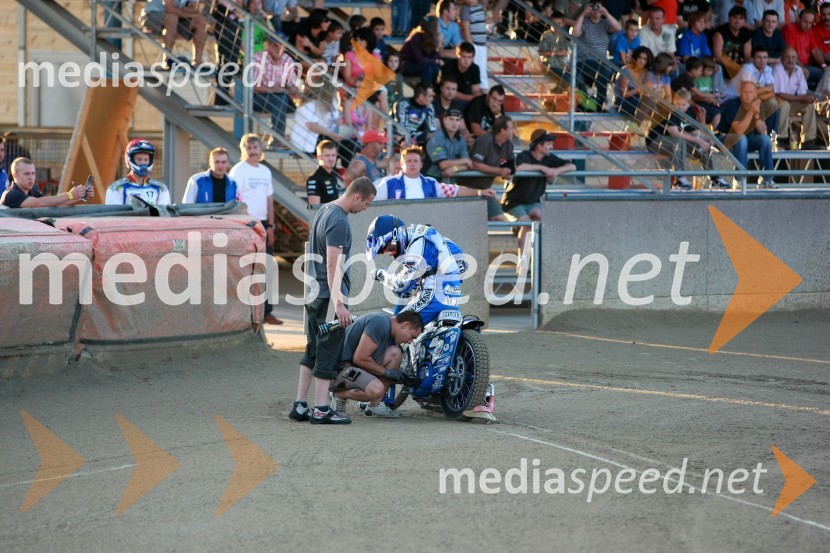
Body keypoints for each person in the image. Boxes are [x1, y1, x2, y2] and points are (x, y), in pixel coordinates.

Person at [289, 177, 376, 425]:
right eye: (366, 204)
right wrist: (339, 304)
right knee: (328, 351)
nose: (364, 209)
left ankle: (300, 404)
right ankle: (321, 409)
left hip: (314, 292)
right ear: (356, 196)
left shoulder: (324, 210)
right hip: (328, 297)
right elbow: (332, 264)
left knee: (313, 349)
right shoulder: (339, 220)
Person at [366, 214, 464, 326]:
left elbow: (401, 285)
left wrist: (381, 275)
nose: (390, 254)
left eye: (390, 249)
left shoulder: (417, 244)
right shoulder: (428, 235)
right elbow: (460, 259)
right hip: (454, 296)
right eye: (386, 252)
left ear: (397, 235)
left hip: (434, 297)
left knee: (395, 328)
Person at [503, 130, 576, 272]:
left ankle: (546, 258)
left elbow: (572, 166)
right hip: (513, 201)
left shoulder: (549, 158)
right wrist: (542, 168)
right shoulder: (525, 155)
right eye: (548, 144)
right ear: (538, 145)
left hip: (532, 202)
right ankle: (522, 261)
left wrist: (556, 171)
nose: (551, 147)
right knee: (528, 224)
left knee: (545, 220)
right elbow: (517, 167)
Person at [229, 134, 282, 325]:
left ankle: (266, 311)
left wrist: (271, 226)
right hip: (246, 224)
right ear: (243, 150)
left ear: (260, 151)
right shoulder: (238, 171)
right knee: (247, 269)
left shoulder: (265, 172)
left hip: (263, 224)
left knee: (266, 267)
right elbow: (235, 200)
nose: (253, 152)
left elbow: (269, 200)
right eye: (249, 148)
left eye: (255, 148)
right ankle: (246, 313)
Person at [330, 311, 424, 418]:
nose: (410, 342)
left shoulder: (387, 327)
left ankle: (375, 405)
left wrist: (401, 377)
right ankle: (338, 395)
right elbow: (360, 358)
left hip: (351, 366)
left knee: (395, 353)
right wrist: (387, 373)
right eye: (412, 336)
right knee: (376, 389)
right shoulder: (379, 323)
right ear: (405, 325)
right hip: (337, 371)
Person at [646, 89, 728, 189]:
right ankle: (680, 177)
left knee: (704, 146)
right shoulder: (669, 110)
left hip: (676, 144)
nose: (680, 107)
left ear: (688, 104)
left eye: (683, 105)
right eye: (677, 104)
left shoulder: (689, 112)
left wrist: (708, 139)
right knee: (679, 141)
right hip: (656, 141)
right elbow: (674, 132)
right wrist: (698, 140)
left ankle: (714, 177)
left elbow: (694, 131)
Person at [456, 115, 516, 221]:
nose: (513, 131)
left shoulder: (509, 144)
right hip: (467, 187)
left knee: (498, 217)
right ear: (502, 131)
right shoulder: (485, 140)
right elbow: (476, 164)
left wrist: (509, 172)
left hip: (485, 188)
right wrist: (500, 171)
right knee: (468, 221)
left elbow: (509, 165)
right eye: (511, 128)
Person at [374, 146, 489, 199]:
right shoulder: (388, 183)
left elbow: (456, 190)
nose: (412, 164)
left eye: (415, 161)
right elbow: (371, 201)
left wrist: (480, 192)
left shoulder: (431, 184)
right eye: (409, 161)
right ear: (402, 164)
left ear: (421, 164)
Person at [723, 81, 776, 188]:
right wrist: (751, 112)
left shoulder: (756, 104)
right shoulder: (732, 104)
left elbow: (763, 131)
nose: (748, 95)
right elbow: (739, 131)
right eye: (745, 92)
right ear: (740, 93)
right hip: (726, 139)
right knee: (742, 138)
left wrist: (756, 115)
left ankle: (767, 179)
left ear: (755, 93)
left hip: (746, 140)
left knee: (765, 139)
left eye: (751, 92)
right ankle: (739, 179)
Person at [572, 1, 622, 111]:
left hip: (601, 62)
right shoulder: (584, 22)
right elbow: (575, 33)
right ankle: (602, 102)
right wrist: (583, 14)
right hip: (584, 61)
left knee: (615, 67)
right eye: (593, 8)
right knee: (604, 68)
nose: (596, 11)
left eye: (598, 8)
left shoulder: (605, 23)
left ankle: (602, 102)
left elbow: (619, 28)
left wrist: (606, 13)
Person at [250, 37, 300, 137]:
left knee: (305, 103)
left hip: (282, 98)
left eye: (282, 45)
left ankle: (304, 144)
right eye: (275, 45)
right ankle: (278, 138)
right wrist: (273, 89)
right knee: (280, 99)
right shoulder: (258, 58)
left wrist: (289, 88)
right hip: (258, 98)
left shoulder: (287, 59)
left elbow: (295, 86)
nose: (279, 49)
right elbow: (253, 87)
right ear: (268, 45)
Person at [773, 47, 821, 149]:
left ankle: (809, 141)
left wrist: (807, 98)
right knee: (784, 104)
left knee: (809, 106)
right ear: (782, 58)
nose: (790, 60)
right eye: (787, 57)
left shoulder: (799, 70)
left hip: (791, 104)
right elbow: (780, 94)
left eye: (793, 57)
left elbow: (802, 93)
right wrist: (802, 98)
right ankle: (781, 138)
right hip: (776, 103)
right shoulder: (777, 69)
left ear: (796, 59)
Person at [140, 0, 207, 69]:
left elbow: (195, 9)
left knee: (201, 20)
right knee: (172, 18)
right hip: (152, 14)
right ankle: (167, 60)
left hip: (176, 17)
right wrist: (188, 12)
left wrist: (183, 11)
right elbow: (170, 9)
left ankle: (198, 62)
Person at [1, 157, 92, 208]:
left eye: (33, 173)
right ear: (15, 175)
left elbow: (58, 203)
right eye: (26, 174)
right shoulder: (10, 194)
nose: (31, 177)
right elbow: (39, 203)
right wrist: (70, 195)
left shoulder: (32, 193)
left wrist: (82, 195)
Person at [106, 139, 171, 206]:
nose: (143, 163)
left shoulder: (161, 189)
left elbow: (164, 214)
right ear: (130, 159)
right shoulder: (115, 189)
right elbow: (114, 215)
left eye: (146, 160)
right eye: (139, 159)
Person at [426, 109, 474, 182]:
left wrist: (454, 169)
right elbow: (443, 164)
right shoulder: (436, 138)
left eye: (457, 120)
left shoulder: (461, 139)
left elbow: (469, 165)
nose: (454, 123)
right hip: (430, 179)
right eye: (451, 119)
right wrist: (464, 160)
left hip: (448, 180)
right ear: (444, 120)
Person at [781, 9, 824, 85]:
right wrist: (802, 68)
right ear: (798, 19)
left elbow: (815, 51)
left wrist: (824, 65)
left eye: (810, 23)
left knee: (825, 73)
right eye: (805, 21)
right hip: (792, 65)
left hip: (806, 66)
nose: (807, 25)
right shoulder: (789, 29)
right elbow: (790, 53)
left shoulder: (810, 31)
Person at [400, 17, 444, 86]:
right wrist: (436, 61)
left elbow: (432, 58)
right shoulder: (416, 38)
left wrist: (437, 46)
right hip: (406, 64)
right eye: (438, 26)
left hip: (419, 64)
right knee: (428, 68)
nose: (439, 28)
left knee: (435, 68)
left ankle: (432, 91)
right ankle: (425, 92)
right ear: (432, 28)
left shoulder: (432, 38)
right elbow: (420, 59)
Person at [392, 82, 438, 148]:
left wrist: (429, 136)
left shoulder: (429, 107)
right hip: (395, 137)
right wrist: (423, 135)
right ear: (421, 96)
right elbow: (401, 130)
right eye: (430, 96)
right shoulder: (402, 104)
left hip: (414, 138)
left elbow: (432, 129)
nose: (432, 99)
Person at [713, 6, 753, 79]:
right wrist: (733, 66)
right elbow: (717, 56)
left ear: (744, 21)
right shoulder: (720, 32)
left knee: (750, 66)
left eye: (741, 18)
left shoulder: (746, 33)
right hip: (723, 65)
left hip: (739, 66)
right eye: (735, 17)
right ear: (729, 18)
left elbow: (747, 55)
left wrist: (750, 62)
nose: (737, 21)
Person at [459, 0, 490, 89]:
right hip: (474, 44)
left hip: (482, 45)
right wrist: (471, 47)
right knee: (476, 69)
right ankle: (476, 89)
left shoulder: (480, 7)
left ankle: (483, 89)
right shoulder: (466, 9)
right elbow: (466, 29)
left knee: (482, 71)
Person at [305, 140, 343, 205]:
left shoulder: (333, 177)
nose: (331, 158)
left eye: (333, 155)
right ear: (319, 157)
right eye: (327, 155)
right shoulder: (314, 179)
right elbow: (314, 210)